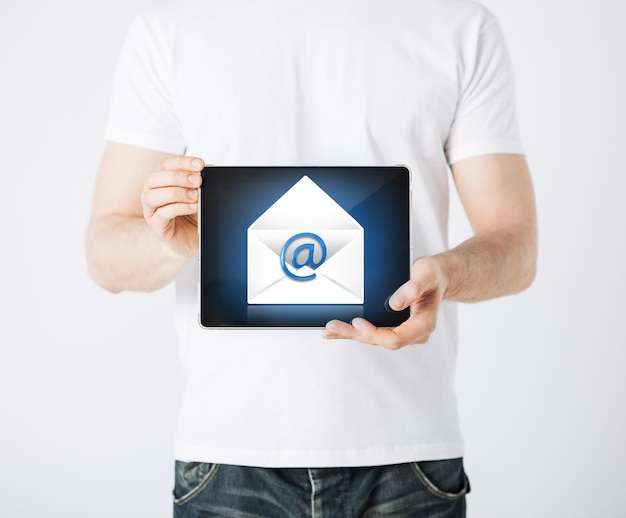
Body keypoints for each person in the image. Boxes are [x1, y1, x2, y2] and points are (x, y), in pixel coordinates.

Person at [87, 0, 537, 516]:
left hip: (408, 457)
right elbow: (105, 254)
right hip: (228, 455)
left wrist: (447, 274)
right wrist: (171, 242)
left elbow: (517, 244)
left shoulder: (459, 26)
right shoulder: (171, 28)